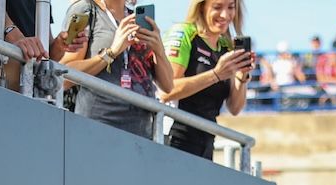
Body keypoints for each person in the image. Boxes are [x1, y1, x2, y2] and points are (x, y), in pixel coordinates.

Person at [61, 0, 173, 138]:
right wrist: (112, 52)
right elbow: (64, 74)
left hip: (142, 132)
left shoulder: (137, 18)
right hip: (98, 126)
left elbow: (168, 86)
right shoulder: (84, 10)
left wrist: (159, 50)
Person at [163, 0, 254, 160]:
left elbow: (234, 108)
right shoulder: (184, 33)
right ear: (201, 6)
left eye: (231, 7)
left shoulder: (226, 46)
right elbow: (167, 91)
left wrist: (241, 76)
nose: (225, 15)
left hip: (207, 139)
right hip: (175, 135)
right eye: (217, 7)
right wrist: (216, 75)